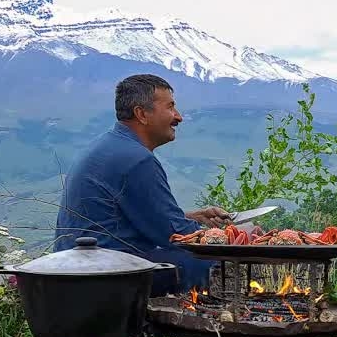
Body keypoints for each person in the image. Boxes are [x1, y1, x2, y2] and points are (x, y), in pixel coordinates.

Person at [55, 74, 231, 295]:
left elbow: (135, 217)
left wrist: (195, 217)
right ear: (142, 114)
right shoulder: (137, 160)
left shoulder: (109, 146)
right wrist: (234, 237)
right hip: (107, 273)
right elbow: (174, 234)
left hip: (74, 267)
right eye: (170, 107)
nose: (178, 117)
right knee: (203, 260)